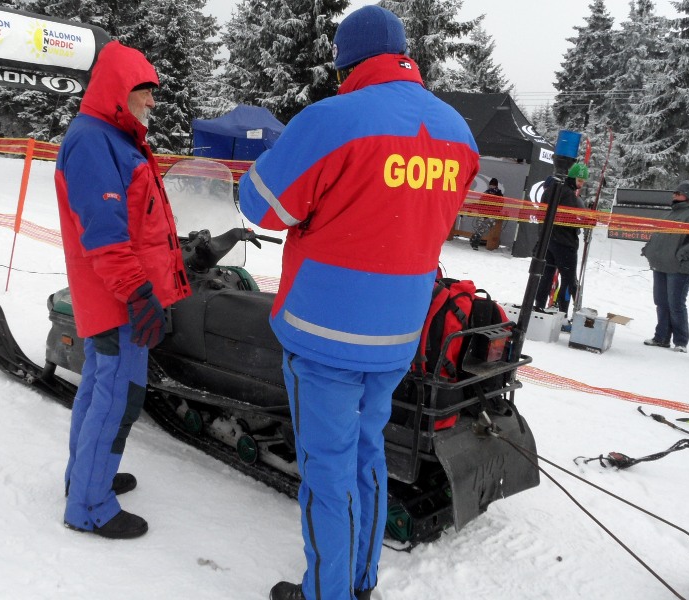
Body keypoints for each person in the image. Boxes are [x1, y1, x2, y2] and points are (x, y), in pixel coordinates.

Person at [238, 6, 479, 600]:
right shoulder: (458, 131)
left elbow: (262, 207)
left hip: (324, 333)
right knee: (368, 453)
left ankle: (328, 591)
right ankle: (362, 580)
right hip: (399, 332)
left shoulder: (333, 119)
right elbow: (434, 217)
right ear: (403, 52)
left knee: (326, 468)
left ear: (345, 60)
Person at [54, 41, 191, 539]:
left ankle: (86, 478)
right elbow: (106, 234)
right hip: (117, 298)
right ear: (118, 89)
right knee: (118, 398)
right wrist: (137, 293)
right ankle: (90, 506)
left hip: (116, 294)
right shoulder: (95, 141)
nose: (153, 102)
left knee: (98, 389)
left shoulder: (112, 137)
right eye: (144, 91)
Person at [641, 180, 689, 353]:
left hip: (680, 267)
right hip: (662, 264)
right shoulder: (669, 213)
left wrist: (682, 254)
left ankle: (681, 341)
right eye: (674, 192)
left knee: (675, 304)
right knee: (661, 302)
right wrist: (649, 249)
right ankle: (661, 337)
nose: (674, 195)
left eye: (678, 193)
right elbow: (659, 235)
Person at [533, 162, 588, 320]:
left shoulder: (551, 189)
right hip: (564, 244)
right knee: (569, 280)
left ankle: (539, 306)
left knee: (546, 275)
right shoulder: (568, 194)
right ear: (571, 177)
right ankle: (564, 314)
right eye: (579, 181)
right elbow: (569, 220)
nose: (581, 185)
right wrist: (583, 223)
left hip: (548, 241)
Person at [469, 177, 503, 250]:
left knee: (483, 227)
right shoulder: (486, 192)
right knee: (480, 225)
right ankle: (475, 239)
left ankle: (475, 241)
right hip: (483, 213)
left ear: (496, 186)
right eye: (490, 185)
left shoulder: (499, 194)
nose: (491, 186)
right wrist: (481, 211)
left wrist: (492, 211)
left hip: (492, 215)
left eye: (493, 185)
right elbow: (480, 202)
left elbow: (500, 206)